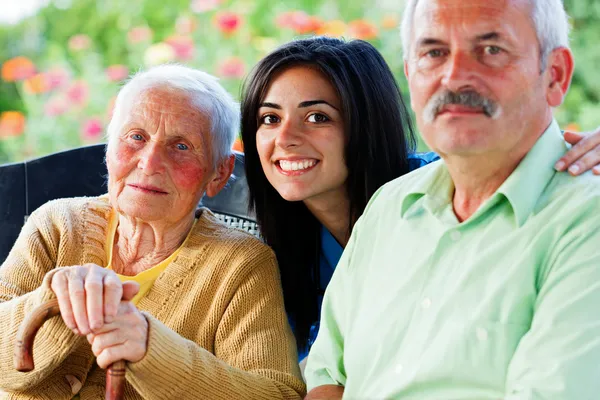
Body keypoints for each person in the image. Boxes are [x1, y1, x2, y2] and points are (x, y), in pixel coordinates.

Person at [303, 0, 600, 398]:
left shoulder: (586, 216)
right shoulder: (391, 205)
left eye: (491, 50)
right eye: (434, 53)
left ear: (556, 76)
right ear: (410, 74)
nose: (455, 76)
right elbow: (327, 375)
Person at [240, 35, 600, 362]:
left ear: (366, 124)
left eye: (317, 117)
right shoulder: (269, 244)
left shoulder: (448, 188)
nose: (284, 138)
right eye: (269, 118)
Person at [0, 65, 305, 399]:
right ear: (108, 149)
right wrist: (56, 300)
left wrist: (151, 349)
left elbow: (277, 395)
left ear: (219, 173)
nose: (150, 162)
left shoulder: (241, 265)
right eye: (136, 137)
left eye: (181, 146)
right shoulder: (56, 224)